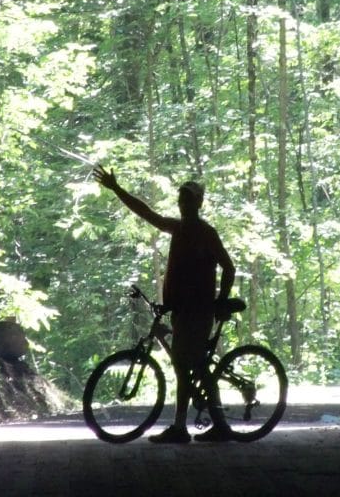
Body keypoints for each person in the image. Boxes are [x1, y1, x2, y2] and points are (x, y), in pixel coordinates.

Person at [94, 164, 235, 443]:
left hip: (199, 311)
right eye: (181, 199)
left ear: (199, 203)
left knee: (184, 365)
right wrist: (117, 188)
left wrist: (221, 302)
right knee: (194, 364)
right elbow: (147, 213)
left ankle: (181, 428)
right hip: (181, 310)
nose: (184, 205)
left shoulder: (207, 233)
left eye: (189, 200)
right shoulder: (178, 228)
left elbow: (228, 267)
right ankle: (218, 424)